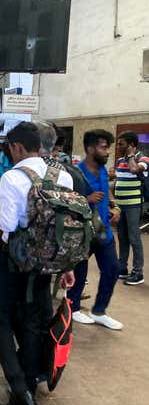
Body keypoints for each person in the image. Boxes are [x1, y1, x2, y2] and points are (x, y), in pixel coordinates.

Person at [0, 121, 75, 405]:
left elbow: (9, 225)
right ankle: (31, 382)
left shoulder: (14, 177)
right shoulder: (62, 175)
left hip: (17, 261)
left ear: (16, 147)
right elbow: (67, 224)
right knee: (35, 321)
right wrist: (67, 265)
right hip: (49, 262)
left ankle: (19, 388)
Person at [67, 130, 123, 329]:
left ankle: (99, 311)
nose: (107, 151)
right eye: (103, 147)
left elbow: (106, 191)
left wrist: (114, 207)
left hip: (103, 231)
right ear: (90, 149)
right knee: (79, 273)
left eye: (107, 147)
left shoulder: (101, 170)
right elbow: (65, 199)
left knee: (113, 269)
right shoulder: (75, 172)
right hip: (82, 232)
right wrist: (86, 199)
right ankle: (73, 309)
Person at [115, 131, 148, 285]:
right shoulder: (120, 160)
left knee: (134, 237)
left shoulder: (143, 158)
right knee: (122, 237)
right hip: (120, 205)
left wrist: (130, 156)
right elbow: (118, 179)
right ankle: (122, 268)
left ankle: (138, 272)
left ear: (132, 145)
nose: (118, 146)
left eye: (121, 144)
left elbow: (135, 170)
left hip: (134, 204)